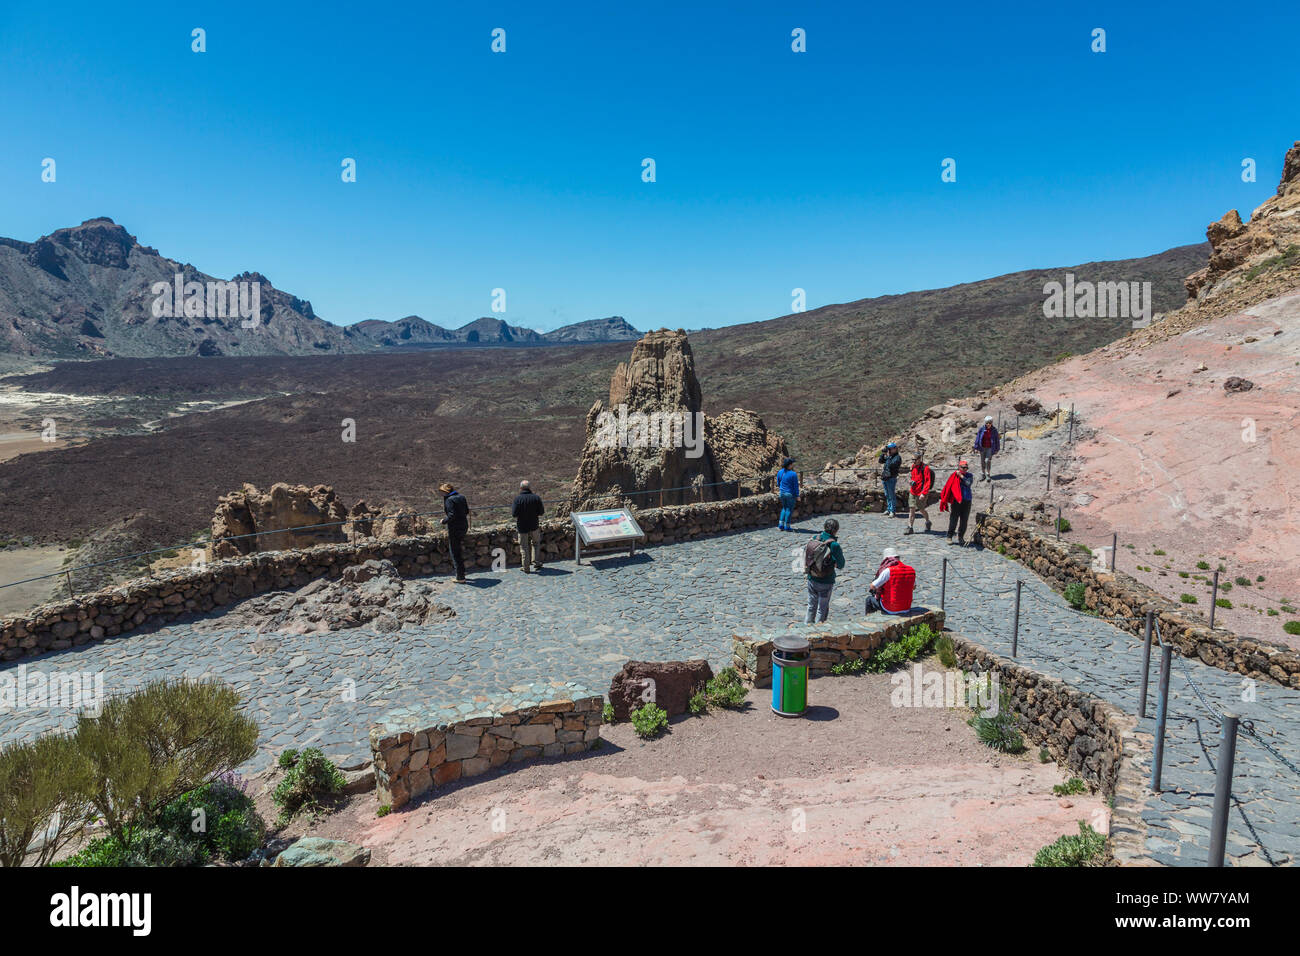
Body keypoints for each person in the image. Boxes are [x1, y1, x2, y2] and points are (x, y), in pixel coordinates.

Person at [804, 518, 845, 624]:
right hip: (826, 581)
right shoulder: (834, 545)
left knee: (811, 606)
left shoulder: (815, 538)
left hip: (812, 578)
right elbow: (841, 564)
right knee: (822, 609)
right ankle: (818, 633)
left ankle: (806, 628)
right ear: (836, 530)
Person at [864, 547, 916, 614]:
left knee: (869, 600)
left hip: (890, 608)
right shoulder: (911, 570)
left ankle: (870, 619)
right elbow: (913, 587)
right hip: (906, 608)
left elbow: (872, 586)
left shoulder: (888, 571)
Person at [511, 480, 546, 573]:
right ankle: (536, 562)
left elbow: (514, 514)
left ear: (521, 488)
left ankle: (526, 567)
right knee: (536, 544)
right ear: (529, 488)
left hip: (522, 527)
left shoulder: (517, 499)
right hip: (534, 525)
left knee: (524, 547)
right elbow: (541, 512)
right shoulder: (536, 498)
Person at [439, 482, 471, 581]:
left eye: (442, 492)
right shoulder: (461, 497)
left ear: (446, 491)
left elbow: (452, 515)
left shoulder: (449, 500)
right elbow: (466, 511)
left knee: (455, 552)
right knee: (458, 550)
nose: (441, 494)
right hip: (464, 525)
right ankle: (462, 571)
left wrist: (443, 521)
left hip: (455, 528)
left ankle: (460, 577)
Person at [939, 460, 974, 546]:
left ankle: (961, 537)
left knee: (964, 520)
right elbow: (948, 486)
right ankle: (949, 536)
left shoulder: (969, 475)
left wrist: (961, 476)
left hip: (967, 500)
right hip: (956, 501)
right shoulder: (954, 476)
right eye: (963, 467)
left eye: (966, 467)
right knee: (954, 519)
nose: (965, 469)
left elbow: (968, 483)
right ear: (959, 467)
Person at [905, 453, 934, 535]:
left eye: (915, 460)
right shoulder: (913, 466)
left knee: (921, 509)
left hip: (921, 492)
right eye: (912, 460)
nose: (913, 462)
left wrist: (923, 493)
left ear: (919, 459)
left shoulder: (925, 468)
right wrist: (910, 481)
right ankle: (910, 527)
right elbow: (912, 477)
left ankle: (928, 522)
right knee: (912, 509)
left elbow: (927, 482)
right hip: (913, 491)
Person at [878, 442, 903, 516]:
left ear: (895, 449)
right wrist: (883, 454)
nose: (889, 450)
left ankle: (892, 510)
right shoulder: (889, 456)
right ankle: (888, 509)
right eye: (888, 449)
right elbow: (880, 461)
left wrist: (888, 457)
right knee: (887, 494)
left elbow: (892, 465)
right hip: (885, 478)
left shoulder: (897, 457)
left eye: (890, 449)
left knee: (891, 495)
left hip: (891, 478)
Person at [974, 415, 1000, 481]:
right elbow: (978, 438)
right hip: (982, 447)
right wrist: (976, 447)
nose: (988, 424)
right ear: (985, 423)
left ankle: (988, 474)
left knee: (987, 461)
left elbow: (997, 440)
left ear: (992, 423)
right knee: (982, 461)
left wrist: (997, 449)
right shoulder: (981, 429)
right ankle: (983, 474)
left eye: (990, 423)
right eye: (987, 423)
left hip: (990, 448)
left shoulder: (994, 430)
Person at [776, 457, 799, 531]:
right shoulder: (793, 474)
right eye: (792, 464)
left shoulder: (780, 472)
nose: (793, 465)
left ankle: (781, 525)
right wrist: (797, 495)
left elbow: (778, 483)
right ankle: (787, 526)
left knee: (784, 508)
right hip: (790, 494)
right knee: (789, 509)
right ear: (789, 465)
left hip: (782, 493)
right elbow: (796, 486)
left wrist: (782, 489)